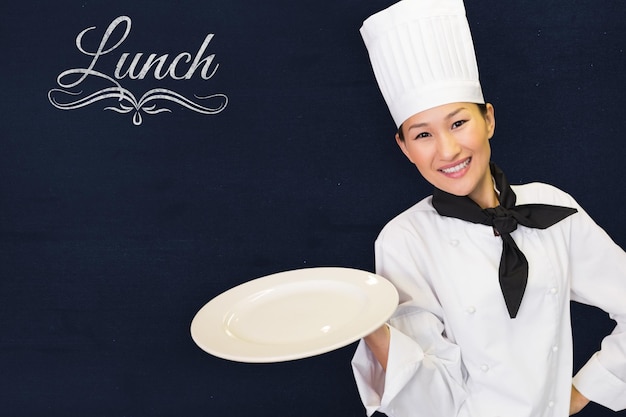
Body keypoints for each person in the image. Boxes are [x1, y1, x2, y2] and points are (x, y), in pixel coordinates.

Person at [350, 1, 626, 416]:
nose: (447, 150)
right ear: (405, 149)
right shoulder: (403, 240)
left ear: (489, 119)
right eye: (422, 134)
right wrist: (369, 327)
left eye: (458, 123)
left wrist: (584, 390)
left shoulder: (553, 208)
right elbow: (430, 401)